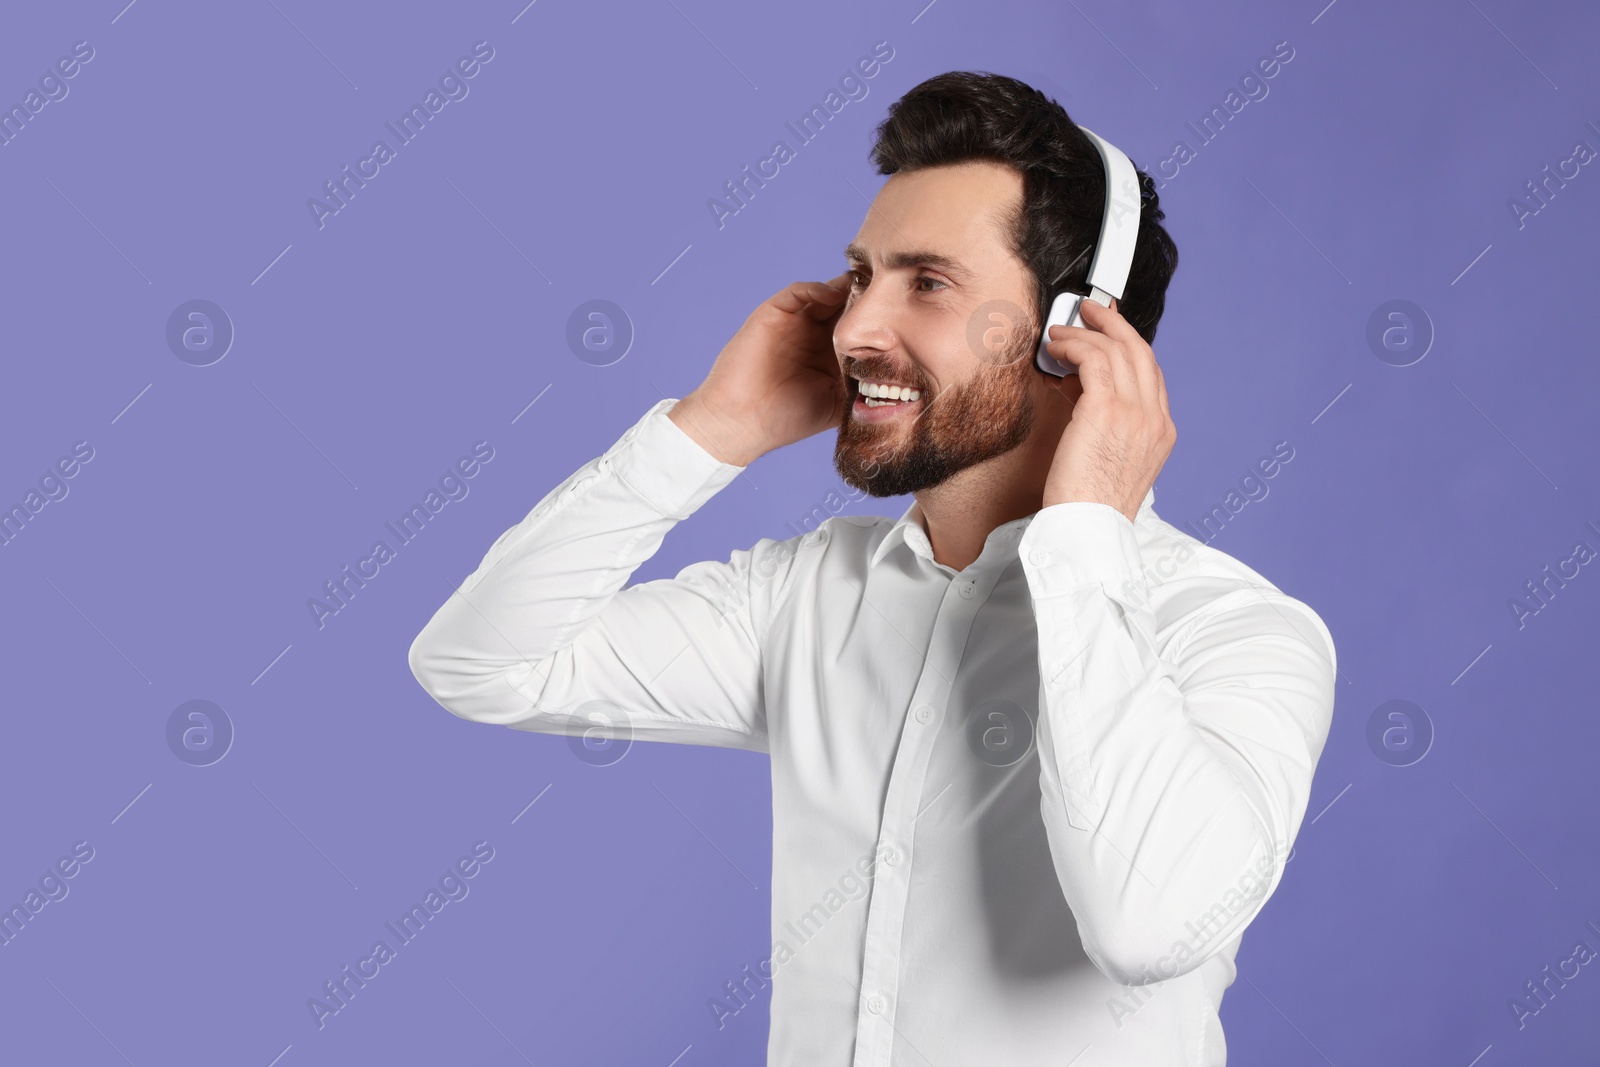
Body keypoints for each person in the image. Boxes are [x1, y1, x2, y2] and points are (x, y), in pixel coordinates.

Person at [408, 70, 1336, 1066]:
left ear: (1077, 335)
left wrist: (1082, 532)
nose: (852, 327)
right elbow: (478, 661)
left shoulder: (1240, 632)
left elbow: (1149, 924)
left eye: (926, 282)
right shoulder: (808, 595)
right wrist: (708, 433)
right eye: (861, 275)